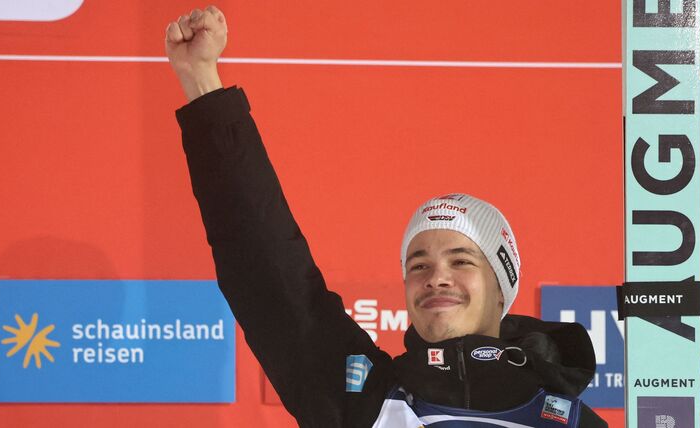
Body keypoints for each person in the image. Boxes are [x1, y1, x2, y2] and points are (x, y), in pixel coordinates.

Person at [166, 6, 608, 427]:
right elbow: (268, 271)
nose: (437, 277)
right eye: (419, 265)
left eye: (461, 260)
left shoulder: (567, 420)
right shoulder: (366, 400)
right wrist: (202, 83)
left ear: (501, 289)